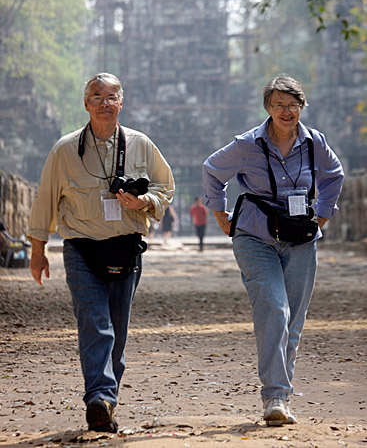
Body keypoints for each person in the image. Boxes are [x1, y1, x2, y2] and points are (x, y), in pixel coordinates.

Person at [28, 73, 174, 433]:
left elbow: (165, 186)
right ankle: (99, 396)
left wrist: (145, 200)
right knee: (95, 323)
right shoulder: (64, 150)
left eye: (111, 97)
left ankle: (106, 401)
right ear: (86, 103)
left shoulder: (140, 145)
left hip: (126, 248)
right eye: (97, 96)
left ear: (121, 102)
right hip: (80, 248)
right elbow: (45, 199)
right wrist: (37, 249)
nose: (104, 103)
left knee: (117, 333)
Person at [202, 75, 344, 426]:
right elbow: (212, 170)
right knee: (275, 309)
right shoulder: (248, 144)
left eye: (293, 104)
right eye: (279, 104)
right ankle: (275, 398)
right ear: (268, 108)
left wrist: (324, 213)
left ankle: (283, 392)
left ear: (301, 107)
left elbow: (334, 175)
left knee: (293, 322)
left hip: (301, 239)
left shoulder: (314, 143)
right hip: (255, 235)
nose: (287, 111)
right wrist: (220, 212)